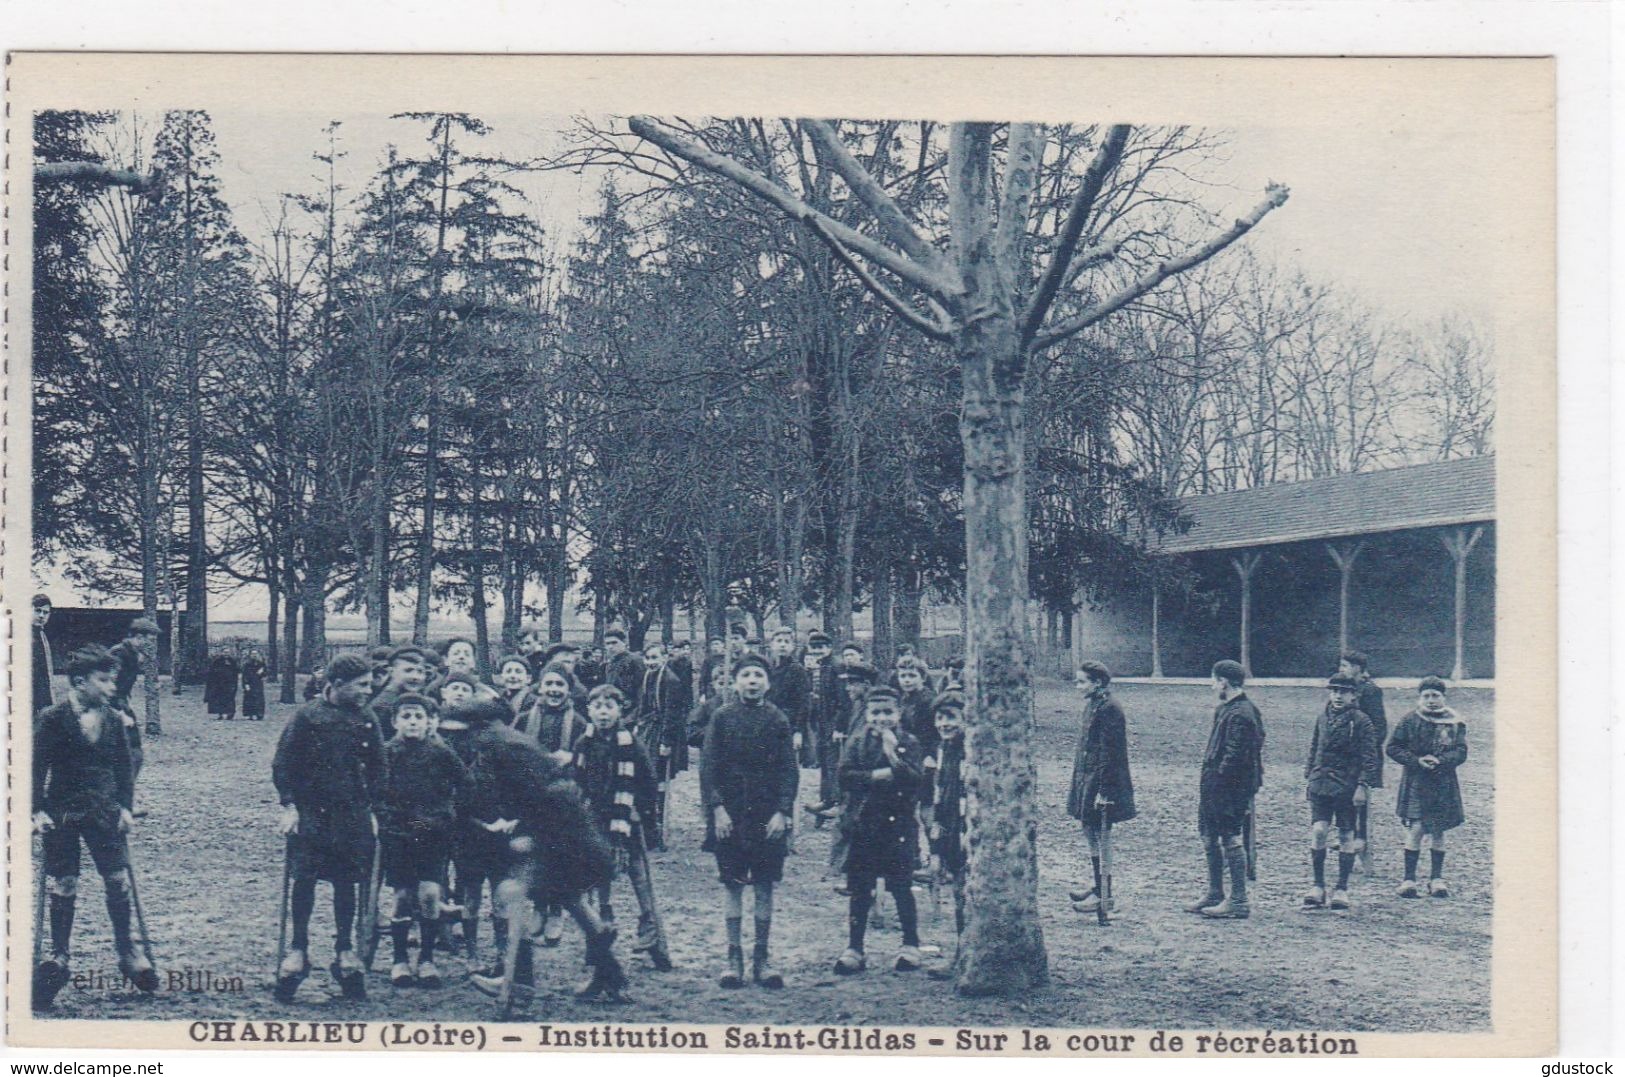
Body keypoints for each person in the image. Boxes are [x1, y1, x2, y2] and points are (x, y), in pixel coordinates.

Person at [461, 699, 626, 1005]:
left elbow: (543, 797)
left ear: (481, 727)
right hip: (562, 829)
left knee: (511, 893)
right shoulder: (505, 743)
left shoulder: (505, 747)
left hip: (559, 831)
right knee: (571, 898)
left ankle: (520, 982)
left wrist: (528, 833)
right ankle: (609, 973)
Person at [32, 645, 157, 1010]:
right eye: (102, 680)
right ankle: (59, 958)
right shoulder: (53, 717)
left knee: (117, 879)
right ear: (79, 681)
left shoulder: (115, 718)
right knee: (64, 882)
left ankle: (127, 951)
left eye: (111, 680)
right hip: (63, 813)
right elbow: (36, 766)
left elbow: (124, 767)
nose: (109, 687)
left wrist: (127, 808)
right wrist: (36, 810)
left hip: (104, 811)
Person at [272, 654, 385, 1001]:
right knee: (304, 880)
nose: (369, 690)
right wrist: (289, 806)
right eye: (362, 685)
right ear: (336, 685)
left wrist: (375, 810)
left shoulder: (367, 718)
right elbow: (283, 763)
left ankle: (344, 950)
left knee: (346, 884)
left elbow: (379, 768)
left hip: (351, 814)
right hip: (312, 814)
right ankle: (298, 949)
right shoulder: (307, 717)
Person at [700, 654, 797, 989]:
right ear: (735, 681)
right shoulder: (721, 718)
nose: (752, 681)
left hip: (767, 812)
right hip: (732, 812)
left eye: (758, 675)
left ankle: (762, 957)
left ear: (768, 683)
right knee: (733, 883)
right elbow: (708, 769)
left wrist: (783, 811)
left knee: (765, 884)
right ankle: (733, 958)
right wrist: (717, 809)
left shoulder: (778, 720)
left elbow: (789, 770)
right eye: (746, 675)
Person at [574, 684, 673, 971]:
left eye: (609, 707)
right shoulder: (584, 743)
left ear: (620, 710)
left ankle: (655, 939)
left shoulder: (630, 743)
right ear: (589, 711)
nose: (603, 713)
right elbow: (577, 780)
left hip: (627, 821)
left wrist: (639, 812)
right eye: (598, 707)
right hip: (595, 821)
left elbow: (648, 782)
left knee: (640, 878)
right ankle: (600, 937)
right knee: (598, 879)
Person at [830, 684, 927, 975]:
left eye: (888, 712)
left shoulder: (909, 742)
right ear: (867, 714)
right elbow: (845, 777)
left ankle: (910, 944)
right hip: (863, 824)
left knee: (901, 886)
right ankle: (855, 948)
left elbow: (914, 779)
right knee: (860, 889)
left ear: (898, 714)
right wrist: (877, 775)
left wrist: (893, 757)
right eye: (876, 712)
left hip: (898, 825)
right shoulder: (857, 742)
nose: (882, 718)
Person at [379, 693, 467, 988]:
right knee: (403, 897)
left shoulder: (440, 752)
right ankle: (400, 959)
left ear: (430, 721)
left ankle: (427, 959)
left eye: (419, 716)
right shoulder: (387, 752)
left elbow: (465, 783)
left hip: (433, 836)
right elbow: (376, 793)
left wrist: (446, 814)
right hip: (398, 836)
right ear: (395, 722)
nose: (413, 722)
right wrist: (397, 819)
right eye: (406, 716)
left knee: (430, 895)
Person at [1189, 660, 1265, 920]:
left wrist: (1220, 780)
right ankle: (1214, 892)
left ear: (1223, 681)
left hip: (1229, 788)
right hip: (1214, 785)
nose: (1212, 686)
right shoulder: (1227, 709)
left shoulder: (1242, 713)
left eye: (1214, 680)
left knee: (1231, 838)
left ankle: (1239, 900)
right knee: (1209, 837)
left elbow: (1236, 756)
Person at [1301, 674, 1380, 910]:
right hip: (1320, 783)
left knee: (1346, 835)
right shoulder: (1322, 716)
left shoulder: (1361, 721)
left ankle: (1342, 889)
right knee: (1318, 830)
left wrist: (1362, 786)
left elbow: (1370, 757)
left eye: (1343, 692)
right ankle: (1317, 886)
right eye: (1334, 691)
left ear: (1354, 695)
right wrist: (1310, 774)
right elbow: (1315, 746)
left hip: (1346, 785)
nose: (1337, 696)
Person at [1387, 677, 1469, 898]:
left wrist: (1442, 761)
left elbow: (1461, 751)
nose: (1431, 700)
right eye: (1426, 696)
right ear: (1419, 698)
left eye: (1435, 696)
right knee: (1416, 829)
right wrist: (1416, 760)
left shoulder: (1454, 722)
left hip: (1443, 782)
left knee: (1439, 830)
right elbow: (1393, 747)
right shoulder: (1410, 720)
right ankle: (1409, 880)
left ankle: (1436, 879)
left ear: (1443, 697)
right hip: (1417, 781)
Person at [1066, 660, 1136, 916]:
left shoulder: (1110, 709)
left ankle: (1106, 894)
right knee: (1088, 830)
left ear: (1098, 683)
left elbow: (1111, 752)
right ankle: (1098, 886)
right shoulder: (1092, 706)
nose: (1077, 686)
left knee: (1102, 836)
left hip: (1102, 781)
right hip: (1086, 777)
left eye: (1082, 681)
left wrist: (1105, 790)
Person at [925, 690, 969, 981]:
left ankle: (965, 954)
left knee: (967, 895)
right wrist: (937, 844)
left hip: (969, 833)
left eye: (951, 717)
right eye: (940, 718)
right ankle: (961, 954)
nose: (944, 723)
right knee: (958, 896)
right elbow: (940, 797)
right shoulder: (943, 750)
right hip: (950, 830)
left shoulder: (971, 751)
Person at [1338, 650, 1387, 872]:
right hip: (1346, 757)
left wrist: (1365, 753)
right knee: (1347, 801)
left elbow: (1379, 727)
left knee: (1362, 804)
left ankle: (1364, 852)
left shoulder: (1371, 691)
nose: (1342, 669)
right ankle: (1351, 844)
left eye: (1346, 666)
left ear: (1358, 668)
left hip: (1364, 757)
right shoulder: (1346, 690)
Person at [636, 642, 688, 847]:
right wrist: (638, 724)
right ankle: (648, 826)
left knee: (659, 779)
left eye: (654, 658)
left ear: (664, 658)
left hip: (664, 733)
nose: (650, 662)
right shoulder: (648, 676)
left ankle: (658, 829)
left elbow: (671, 714)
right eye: (647, 658)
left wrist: (666, 741)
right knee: (645, 775)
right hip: (648, 729)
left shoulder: (671, 681)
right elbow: (643, 704)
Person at [108, 618, 160, 789]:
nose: (151, 645)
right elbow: (108, 685)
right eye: (149, 640)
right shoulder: (119, 654)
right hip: (111, 706)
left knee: (132, 752)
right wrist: (118, 712)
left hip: (121, 704)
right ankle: (116, 797)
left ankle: (121, 796)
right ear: (139, 637)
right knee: (125, 752)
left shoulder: (134, 655)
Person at [766, 628, 814, 769]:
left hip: (788, 724)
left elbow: (804, 703)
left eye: (787, 642)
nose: (782, 645)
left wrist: (798, 731)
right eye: (779, 641)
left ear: (792, 647)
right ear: (772, 645)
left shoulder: (797, 670)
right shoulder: (767, 668)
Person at [371, 646, 431, 740]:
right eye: (408, 670)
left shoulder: (423, 699)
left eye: (420, 671)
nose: (415, 677)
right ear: (391, 672)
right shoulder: (383, 706)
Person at [601, 630, 645, 714]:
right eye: (607, 644)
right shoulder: (610, 663)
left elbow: (641, 689)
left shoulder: (635, 660)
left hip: (631, 710)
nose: (610, 647)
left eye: (614, 643)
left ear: (624, 642)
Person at [31, 594, 57, 717]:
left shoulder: (41, 635)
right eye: (38, 611)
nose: (41, 615)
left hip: (42, 695)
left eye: (45, 612)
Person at [495, 654, 536, 724]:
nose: (513, 676)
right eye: (508, 671)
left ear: (528, 679)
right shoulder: (497, 699)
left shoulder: (532, 702)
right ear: (501, 677)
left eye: (518, 672)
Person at [204, 651, 240, 721]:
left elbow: (236, 672)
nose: (226, 654)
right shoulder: (217, 661)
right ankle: (221, 713)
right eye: (225, 652)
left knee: (230, 699)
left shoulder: (232, 662)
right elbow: (212, 672)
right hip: (219, 684)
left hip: (230, 684)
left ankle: (230, 713)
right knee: (220, 699)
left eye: (227, 652)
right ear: (222, 653)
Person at [667, 639, 697, 718]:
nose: (677, 653)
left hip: (685, 689)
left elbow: (689, 679)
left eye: (679, 651)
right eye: (675, 651)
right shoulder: (669, 663)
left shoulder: (687, 662)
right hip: (673, 690)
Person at [241, 649, 268, 721]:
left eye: (256, 654)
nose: (254, 655)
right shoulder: (247, 664)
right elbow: (245, 675)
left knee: (259, 699)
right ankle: (250, 714)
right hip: (250, 684)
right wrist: (246, 684)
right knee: (250, 699)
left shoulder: (261, 664)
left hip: (258, 684)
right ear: (250, 655)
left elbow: (265, 674)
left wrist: (262, 673)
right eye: (253, 654)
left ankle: (259, 714)